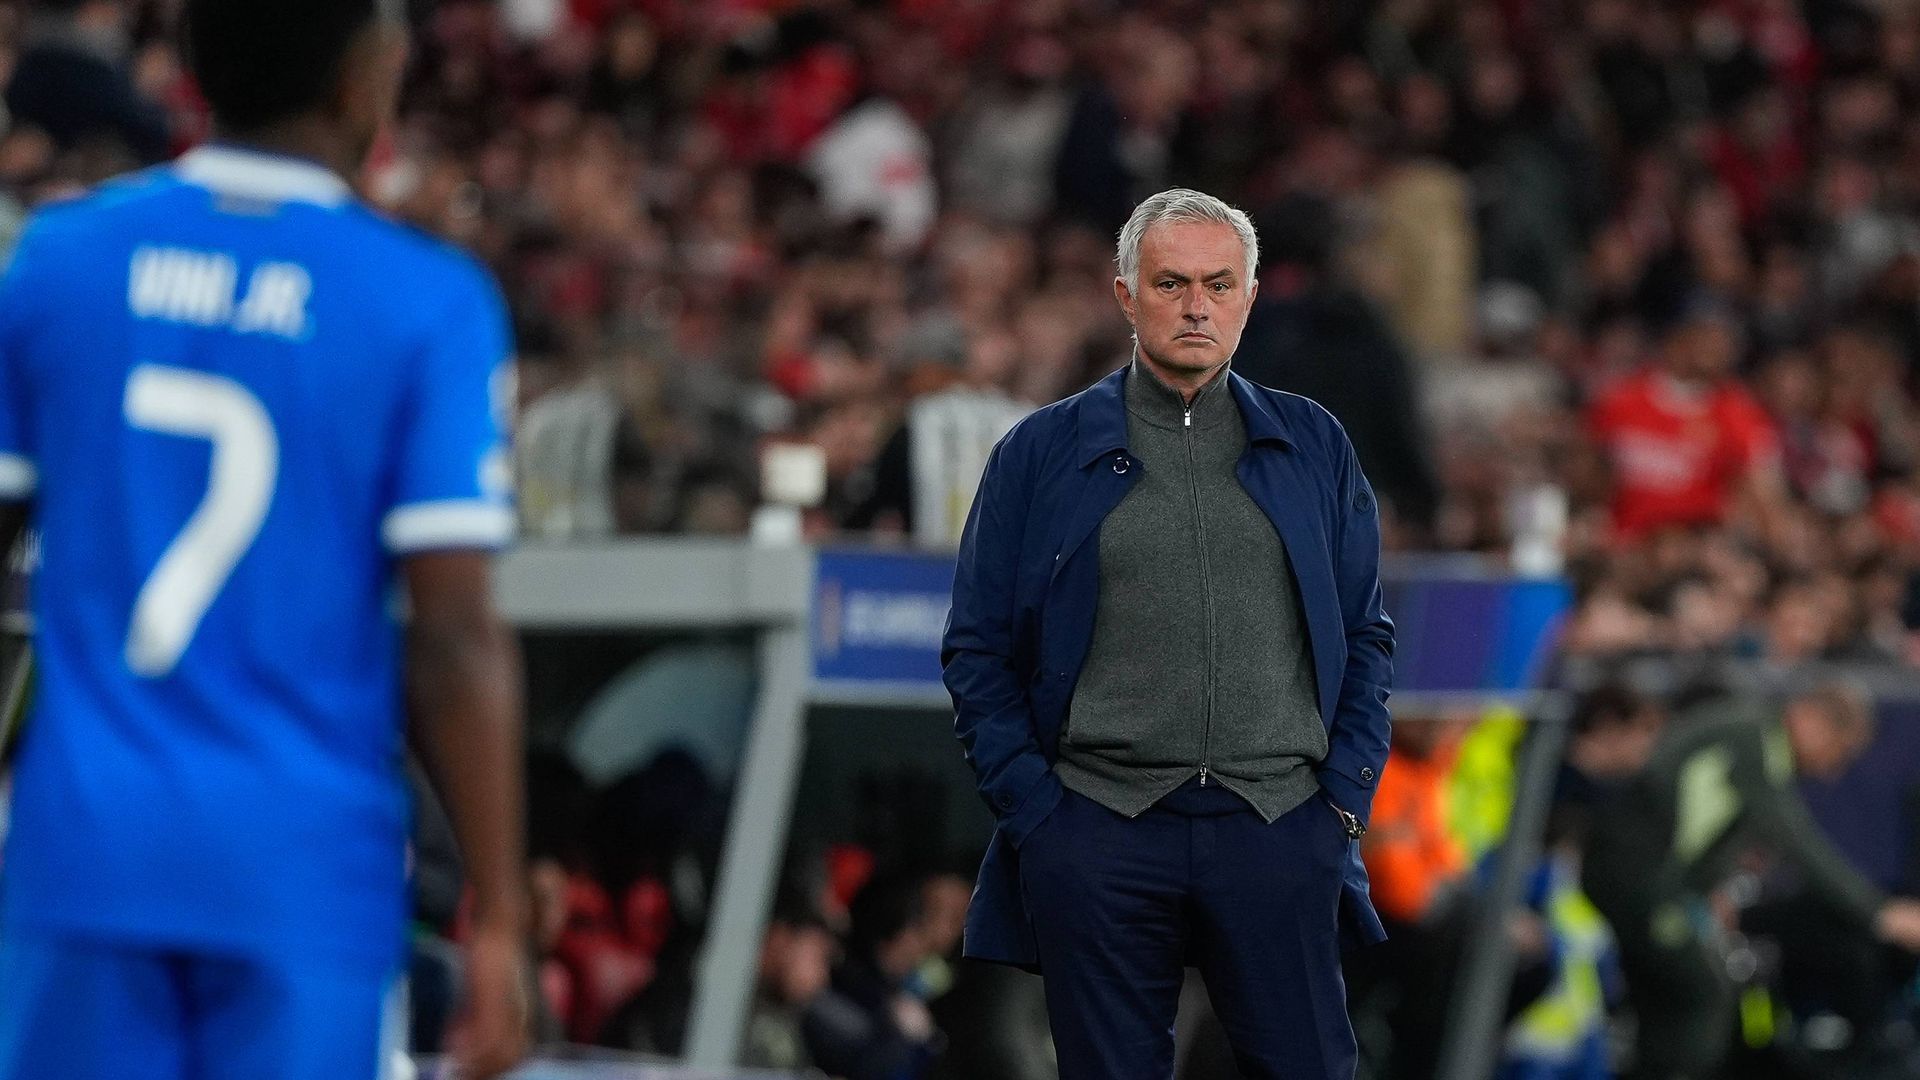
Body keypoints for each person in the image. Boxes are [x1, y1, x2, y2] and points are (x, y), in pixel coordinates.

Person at [0, 1, 529, 1077]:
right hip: (300, 874)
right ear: (363, 78)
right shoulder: (427, 301)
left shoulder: (58, 261)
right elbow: (453, 637)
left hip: (84, 851)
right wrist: (504, 916)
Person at [945, 188, 1393, 1080]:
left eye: (1219, 285)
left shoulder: (1314, 443)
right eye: (1171, 283)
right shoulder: (1039, 451)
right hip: (1099, 826)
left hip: (1279, 823)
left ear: (1250, 298)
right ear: (1125, 294)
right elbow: (976, 649)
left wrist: (1341, 801)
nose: (1197, 306)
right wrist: (1039, 813)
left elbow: (1366, 636)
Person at [1581, 683, 1920, 1080]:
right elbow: (1794, 837)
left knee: (1673, 999)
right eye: (1839, 750)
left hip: (1649, 881)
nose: (1832, 770)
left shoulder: (1750, 739)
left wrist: (1707, 889)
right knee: (1705, 990)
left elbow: (1708, 826)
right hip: (1635, 879)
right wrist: (1878, 911)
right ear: (1811, 720)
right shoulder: (1753, 739)